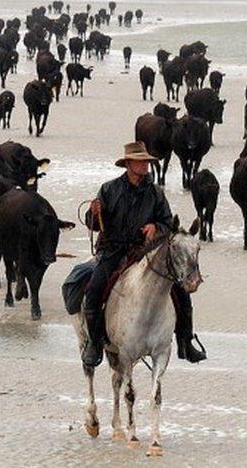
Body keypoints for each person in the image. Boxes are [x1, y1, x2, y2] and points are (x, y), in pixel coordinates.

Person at [81, 141, 206, 367]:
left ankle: (186, 342)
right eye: (141, 161)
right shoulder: (109, 189)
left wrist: (156, 228)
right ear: (129, 164)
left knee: (181, 292)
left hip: (146, 253)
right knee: (94, 289)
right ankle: (94, 343)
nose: (146, 165)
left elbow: (169, 224)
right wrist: (93, 213)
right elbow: (94, 225)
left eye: (147, 161)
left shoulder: (156, 193)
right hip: (114, 250)